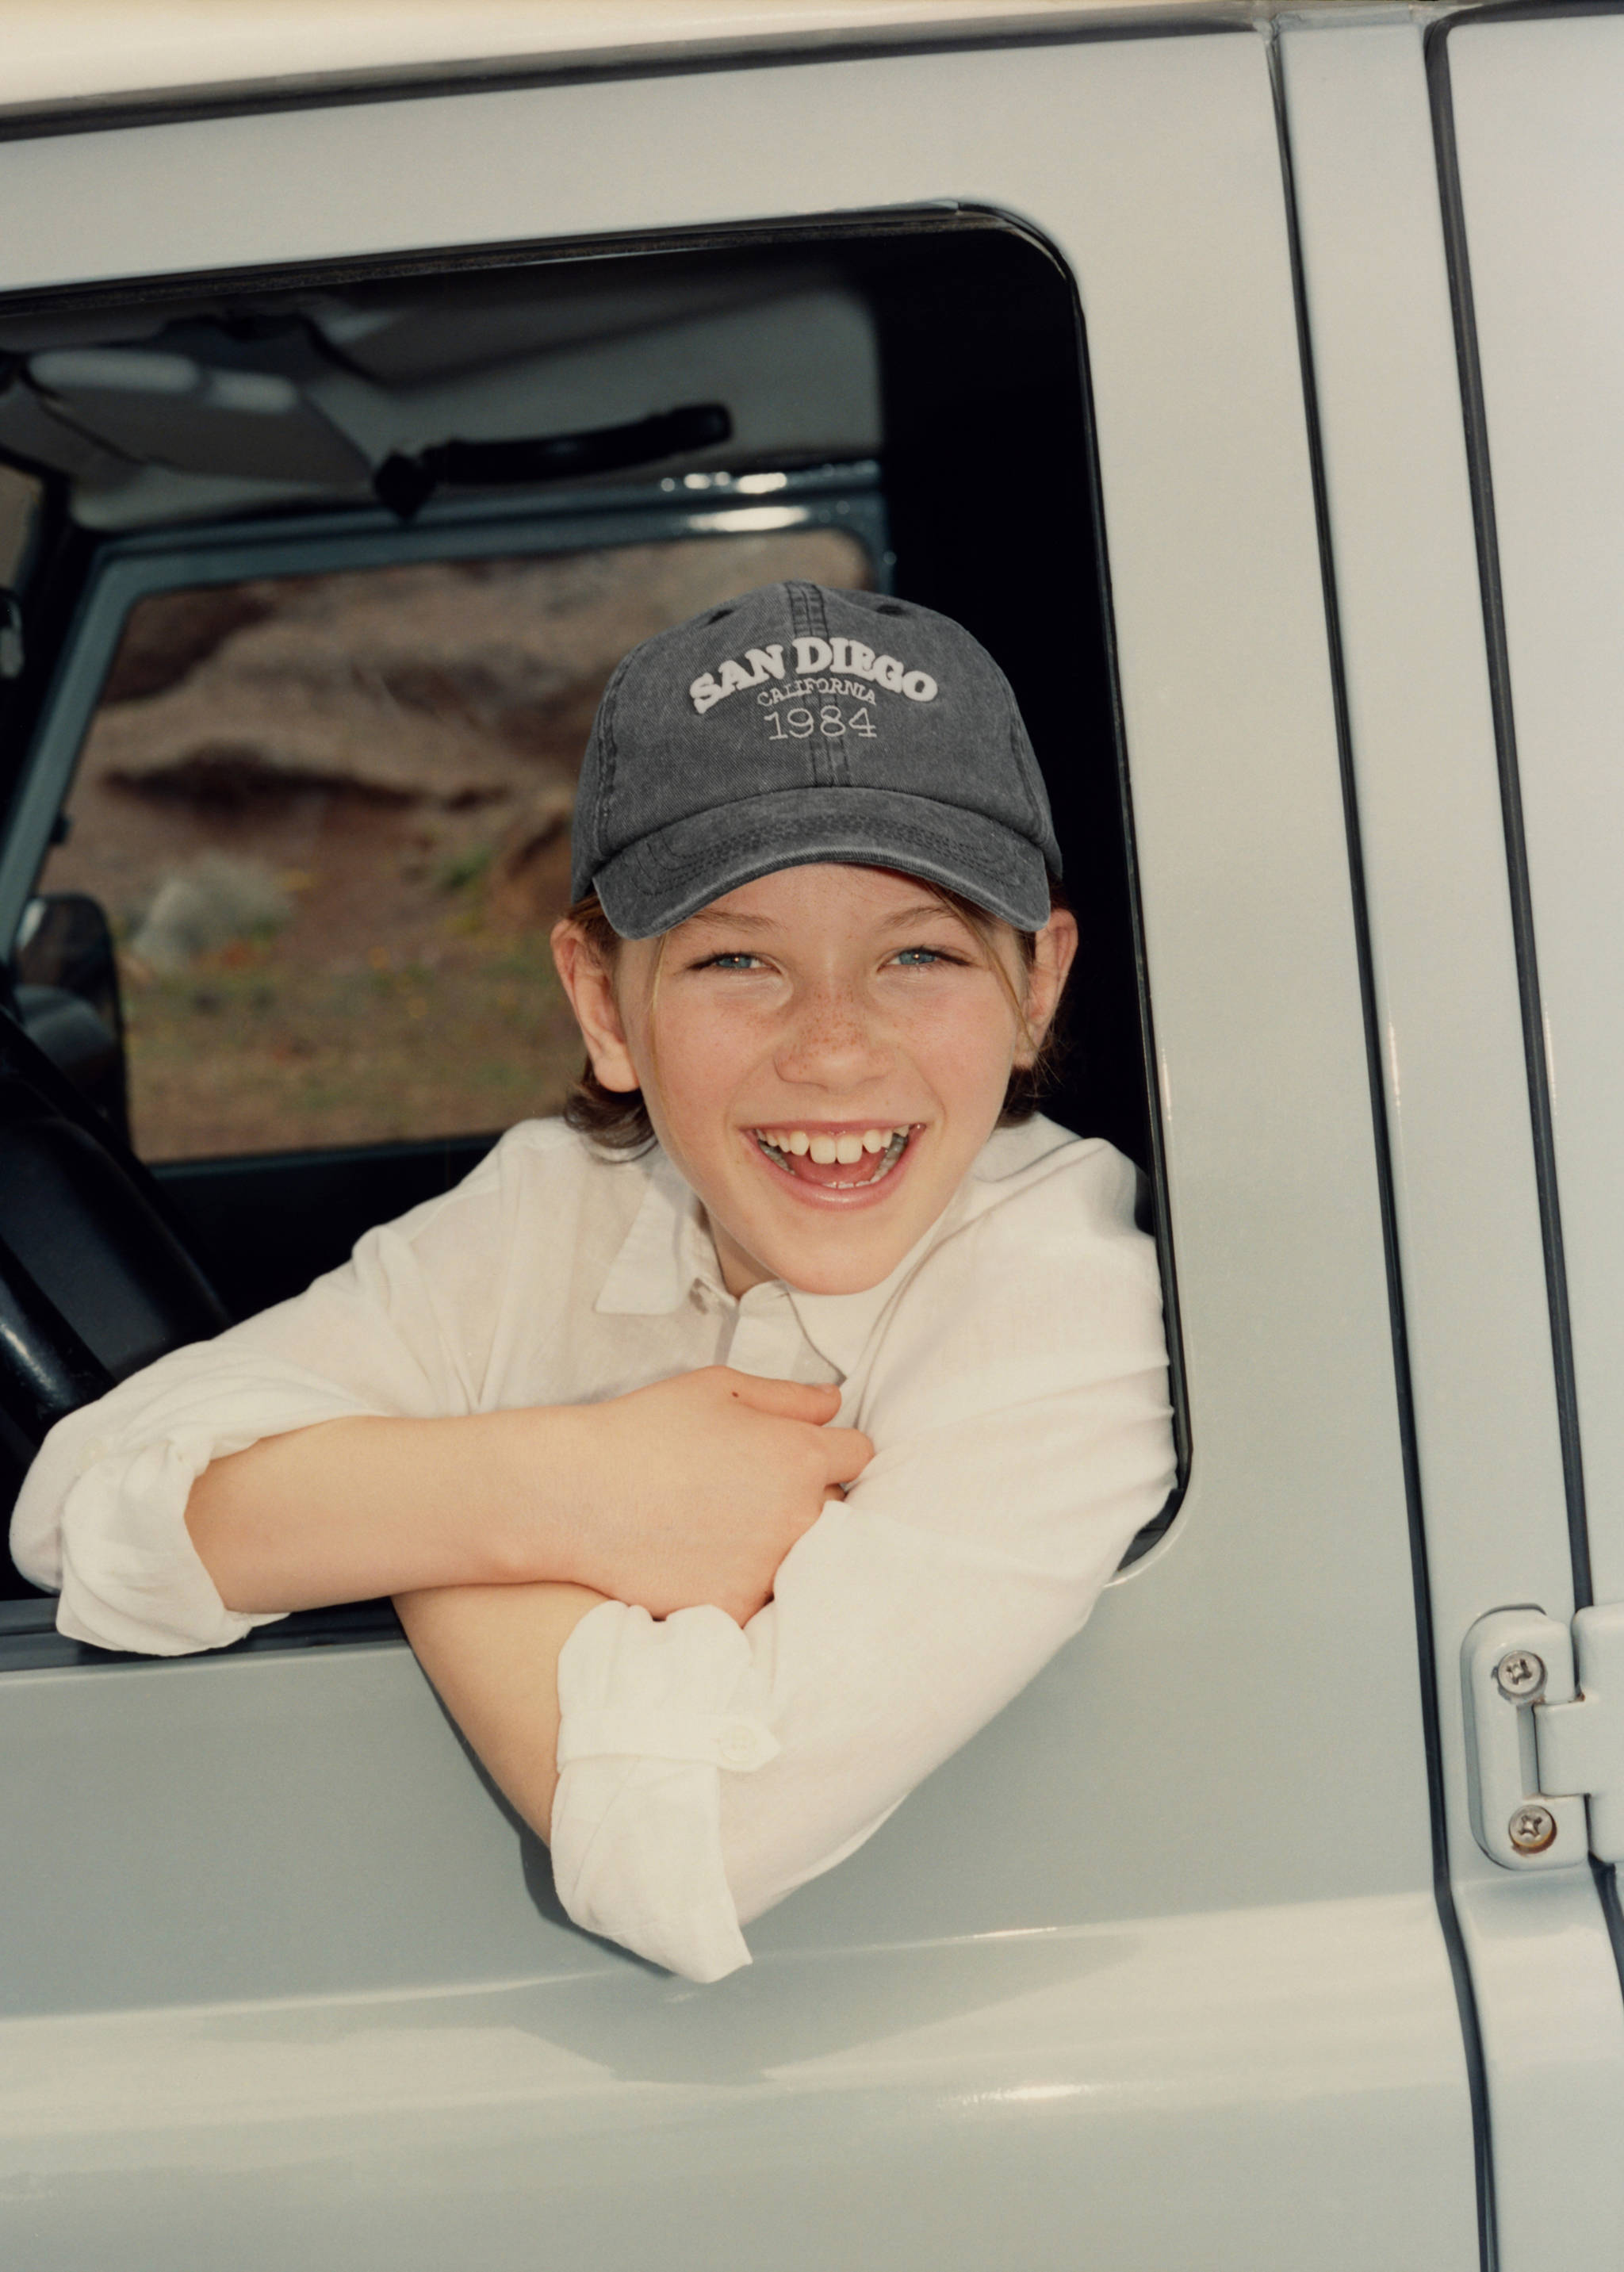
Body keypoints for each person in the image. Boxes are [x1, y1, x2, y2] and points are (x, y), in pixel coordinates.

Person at [10, 582, 1175, 1983]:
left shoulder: (1066, 1288)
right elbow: (84, 1504)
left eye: (917, 953)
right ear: (601, 1000)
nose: (832, 1046)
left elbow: (699, 1841)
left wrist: (392, 1520)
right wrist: (565, 1490)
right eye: (737, 958)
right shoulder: (561, 1199)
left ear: (1039, 982)